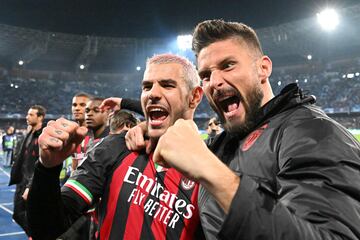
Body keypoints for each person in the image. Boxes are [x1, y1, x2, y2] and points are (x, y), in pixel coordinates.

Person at [127, 20, 360, 239]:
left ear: (263, 68)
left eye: (228, 65)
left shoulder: (313, 132)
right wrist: (150, 128)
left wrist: (212, 173)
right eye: (205, 75)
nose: (215, 82)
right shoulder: (226, 142)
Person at [27, 53, 205, 239]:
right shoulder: (116, 147)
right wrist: (47, 168)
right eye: (147, 86)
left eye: (167, 85)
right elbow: (46, 229)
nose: (152, 94)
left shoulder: (210, 168)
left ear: (194, 97)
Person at [9, 105, 46, 237]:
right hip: (22, 181)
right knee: (18, 214)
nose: (27, 117)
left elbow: (41, 163)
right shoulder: (29, 134)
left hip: (32, 183)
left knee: (32, 214)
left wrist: (30, 186)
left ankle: (37, 236)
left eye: (31, 114)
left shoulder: (42, 136)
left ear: (40, 117)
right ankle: (35, 235)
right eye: (27, 114)